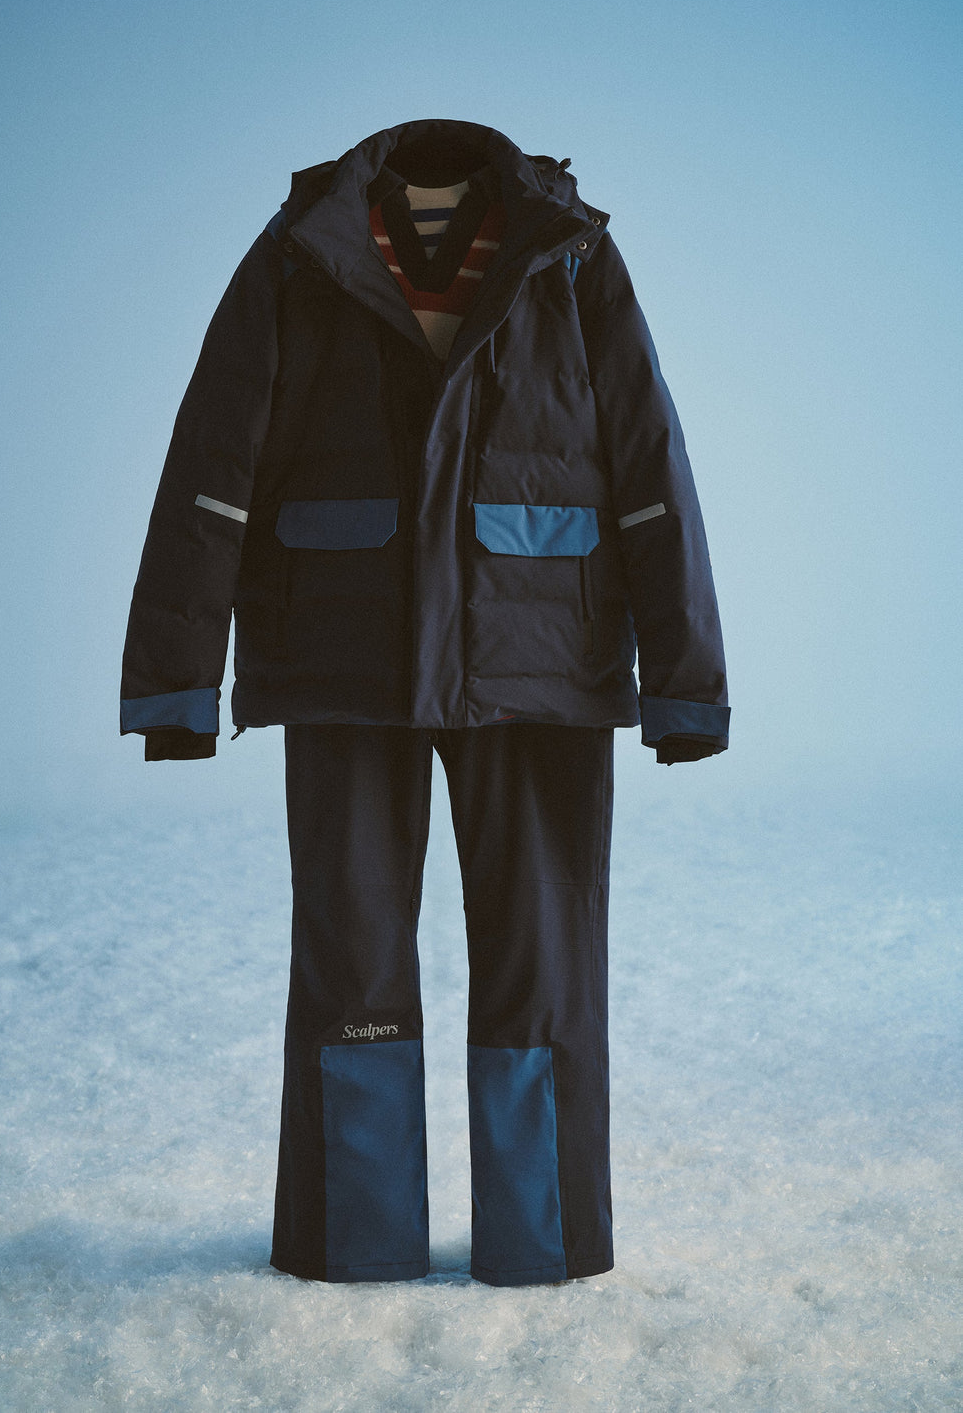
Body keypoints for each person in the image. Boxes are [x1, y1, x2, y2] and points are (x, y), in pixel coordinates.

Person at [121, 119, 729, 1286]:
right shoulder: (299, 250)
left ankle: (539, 1242)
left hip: (538, 662)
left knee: (542, 963)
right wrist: (174, 683)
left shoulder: (570, 255)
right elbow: (212, 462)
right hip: (344, 659)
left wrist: (684, 682)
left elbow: (649, 463)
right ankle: (356, 1242)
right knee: (348, 962)